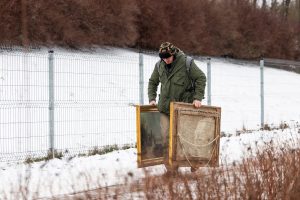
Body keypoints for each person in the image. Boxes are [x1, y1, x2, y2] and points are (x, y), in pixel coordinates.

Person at [148, 42, 206, 173]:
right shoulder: (159, 65)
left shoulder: (187, 63)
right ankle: (171, 168)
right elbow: (153, 82)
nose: (165, 60)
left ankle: (195, 161)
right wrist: (152, 99)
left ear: (173, 54)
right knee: (165, 137)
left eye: (167, 57)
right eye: (163, 57)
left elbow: (201, 78)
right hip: (165, 108)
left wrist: (198, 98)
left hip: (183, 108)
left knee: (185, 137)